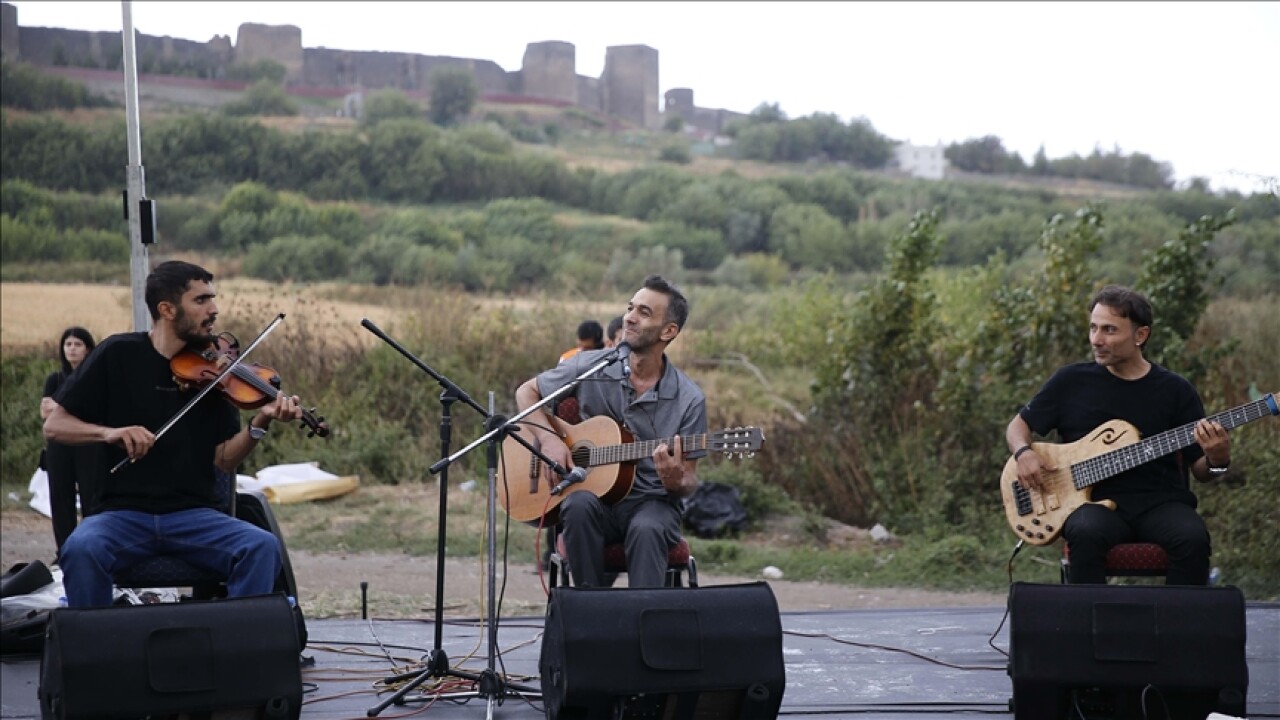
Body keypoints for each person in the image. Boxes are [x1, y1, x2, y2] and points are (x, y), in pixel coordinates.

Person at [44, 260, 302, 608]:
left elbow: (224, 460)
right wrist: (110, 433)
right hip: (121, 516)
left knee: (260, 546)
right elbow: (55, 425)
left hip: (194, 515)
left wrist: (259, 424)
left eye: (213, 298)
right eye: (201, 301)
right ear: (166, 309)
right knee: (80, 548)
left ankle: (237, 649)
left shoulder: (216, 372)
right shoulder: (117, 353)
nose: (214, 310)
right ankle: (100, 652)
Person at [1005, 285, 1230, 585]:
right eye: (1093, 328)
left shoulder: (1175, 390)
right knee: (1085, 532)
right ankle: (1090, 627)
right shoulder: (1070, 381)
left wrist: (1218, 457)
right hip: (1090, 504)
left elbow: (1201, 470)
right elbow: (1017, 427)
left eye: (1109, 330)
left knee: (1192, 538)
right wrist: (1023, 453)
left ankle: (1179, 627)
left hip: (1160, 503)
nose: (1097, 340)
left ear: (1140, 335)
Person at [516, 275, 706, 588]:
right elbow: (527, 393)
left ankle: (644, 624)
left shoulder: (689, 399)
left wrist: (676, 481)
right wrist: (549, 441)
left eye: (644, 312)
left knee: (647, 528)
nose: (629, 317)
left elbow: (687, 479)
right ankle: (590, 613)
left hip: (652, 503)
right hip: (595, 497)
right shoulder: (591, 365)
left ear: (669, 331)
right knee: (577, 506)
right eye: (630, 308)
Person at [41, 327, 102, 556]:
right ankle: (64, 551)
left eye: (78, 344)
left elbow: (96, 411)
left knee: (91, 498)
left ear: (88, 349)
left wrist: (61, 408)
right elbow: (46, 412)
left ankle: (91, 548)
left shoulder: (96, 379)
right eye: (68, 344)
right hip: (59, 447)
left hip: (88, 445)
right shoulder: (55, 379)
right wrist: (73, 409)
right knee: (61, 498)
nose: (72, 349)